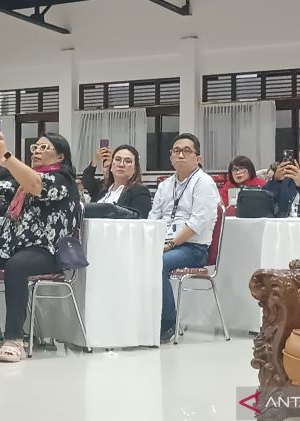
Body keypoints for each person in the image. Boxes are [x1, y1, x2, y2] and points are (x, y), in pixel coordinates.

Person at [0, 132, 82, 363]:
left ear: (60, 156)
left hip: (48, 251)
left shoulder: (62, 180)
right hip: (12, 247)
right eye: (35, 147)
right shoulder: (21, 180)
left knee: (16, 266)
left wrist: (6, 156)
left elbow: (36, 185)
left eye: (44, 148)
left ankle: (14, 339)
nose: (37, 151)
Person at [149, 133, 220, 343]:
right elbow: (154, 217)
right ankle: (142, 319)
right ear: (170, 156)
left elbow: (197, 223)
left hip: (193, 249)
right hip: (164, 244)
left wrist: (171, 244)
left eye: (187, 151)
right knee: (135, 259)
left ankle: (167, 324)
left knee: (156, 263)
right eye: (176, 151)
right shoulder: (165, 185)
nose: (180, 155)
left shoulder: (204, 183)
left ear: (198, 158)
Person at [81, 145, 152, 218]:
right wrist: (95, 160)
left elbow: (140, 220)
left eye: (128, 161)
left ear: (135, 169)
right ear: (111, 167)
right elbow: (86, 180)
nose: (121, 164)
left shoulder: (140, 191)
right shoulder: (101, 188)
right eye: (117, 159)